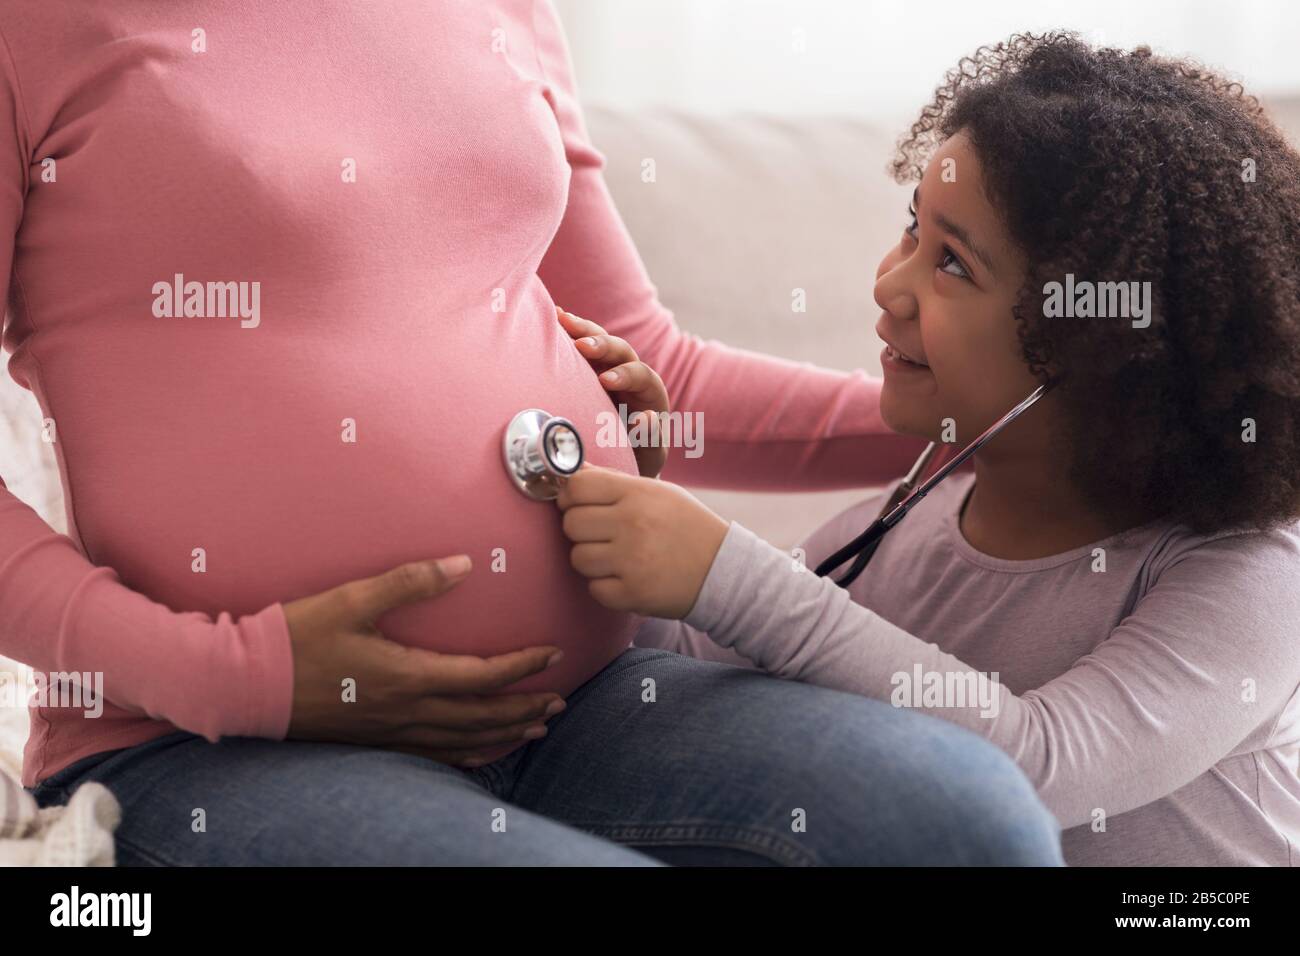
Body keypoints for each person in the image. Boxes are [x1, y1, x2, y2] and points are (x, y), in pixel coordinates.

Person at [5, 3, 1062, 864]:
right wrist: (236, 674)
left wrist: (1002, 424)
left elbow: (663, 365)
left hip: (588, 695)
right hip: (207, 743)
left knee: (971, 818)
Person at [557, 32, 1300, 866]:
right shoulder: (883, 539)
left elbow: (1037, 768)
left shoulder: (1251, 579)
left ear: (1101, 351)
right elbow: (694, 672)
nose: (888, 284)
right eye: (913, 230)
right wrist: (632, 500)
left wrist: (725, 572)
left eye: (952, 263)